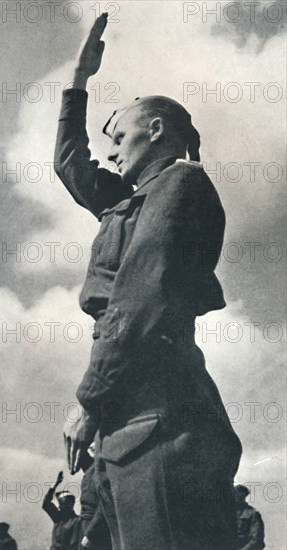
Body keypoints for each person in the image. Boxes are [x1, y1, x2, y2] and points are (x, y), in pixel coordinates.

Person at [59, 13, 242, 550]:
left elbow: (140, 298)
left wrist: (90, 402)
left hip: (161, 416)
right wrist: (78, 83)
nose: (111, 152)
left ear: (156, 129)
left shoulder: (179, 185)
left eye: (117, 136)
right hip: (131, 415)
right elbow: (71, 167)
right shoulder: (131, 201)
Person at [79, 446, 111, 550]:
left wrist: (90, 533)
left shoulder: (103, 470)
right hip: (86, 525)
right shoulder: (90, 471)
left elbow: (105, 504)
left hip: (96, 528)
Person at [42, 472, 80, 550]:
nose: (59, 506)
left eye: (62, 503)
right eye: (60, 503)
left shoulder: (76, 521)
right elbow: (46, 504)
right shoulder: (58, 517)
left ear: (70, 504)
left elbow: (74, 545)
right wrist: (54, 485)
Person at [235, 485, 265, 550]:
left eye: (238, 494)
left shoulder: (253, 513)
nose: (236, 496)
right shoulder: (228, 513)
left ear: (243, 496)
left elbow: (256, 540)